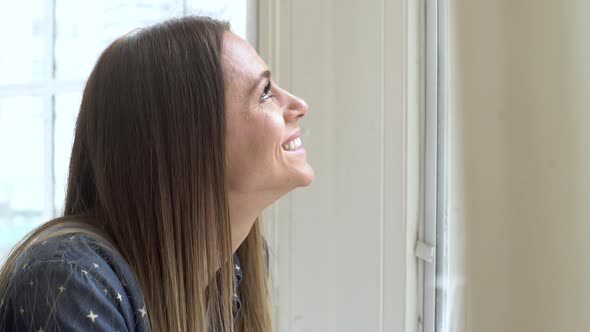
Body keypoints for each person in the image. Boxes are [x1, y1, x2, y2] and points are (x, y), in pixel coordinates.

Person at [0, 16, 313, 332]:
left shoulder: (235, 269)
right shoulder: (71, 280)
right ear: (188, 141)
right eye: (265, 93)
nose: (299, 105)